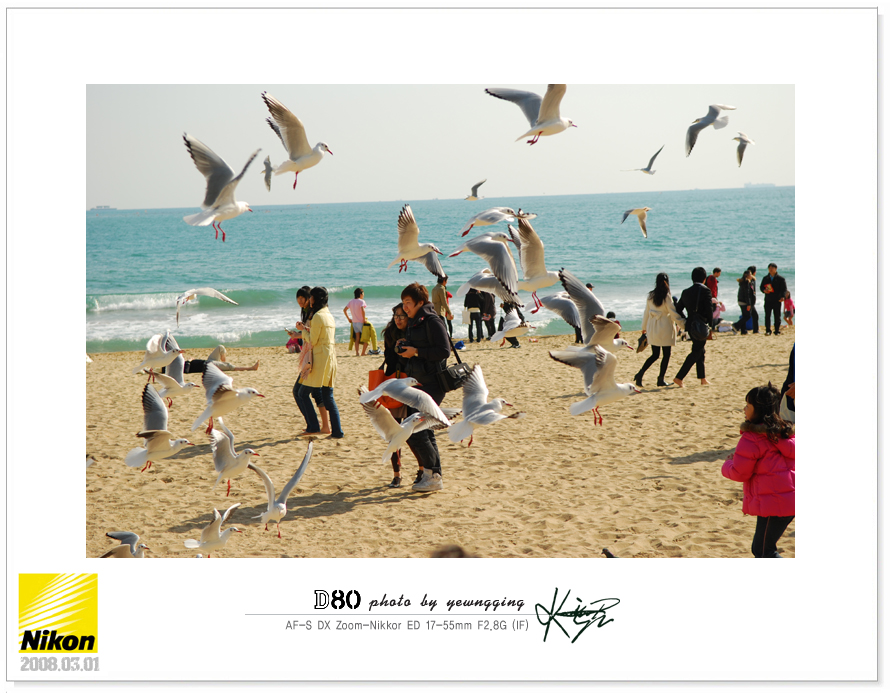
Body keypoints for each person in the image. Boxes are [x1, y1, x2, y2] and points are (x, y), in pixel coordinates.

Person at [721, 384, 795, 558]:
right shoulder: (785, 433)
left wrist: (727, 464)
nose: (744, 409)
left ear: (759, 410)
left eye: (748, 405)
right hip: (789, 499)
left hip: (774, 502)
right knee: (762, 548)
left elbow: (740, 473)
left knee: (763, 551)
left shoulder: (752, 438)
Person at [396, 282, 451, 491]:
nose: (405, 307)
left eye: (408, 303)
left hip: (433, 384)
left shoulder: (432, 320)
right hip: (419, 383)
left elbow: (444, 350)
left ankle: (433, 476)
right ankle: (433, 474)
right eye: (403, 303)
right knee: (424, 430)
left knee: (416, 429)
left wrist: (416, 351)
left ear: (420, 302)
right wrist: (405, 348)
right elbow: (419, 348)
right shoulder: (414, 322)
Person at [376, 303, 417, 488]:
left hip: (411, 387)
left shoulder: (414, 333)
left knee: (413, 434)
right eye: (396, 316)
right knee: (395, 434)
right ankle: (397, 474)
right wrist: (396, 348)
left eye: (402, 316)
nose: (398, 319)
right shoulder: (390, 334)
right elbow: (389, 361)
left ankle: (422, 469)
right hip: (394, 386)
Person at [295, 287, 344, 438]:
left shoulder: (317, 316)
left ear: (315, 299)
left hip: (320, 359)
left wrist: (302, 330)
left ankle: (314, 426)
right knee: (328, 396)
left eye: (311, 297)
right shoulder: (329, 315)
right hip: (330, 357)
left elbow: (313, 340)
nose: (310, 300)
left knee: (302, 393)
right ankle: (337, 431)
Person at [635, 273, 685, 387]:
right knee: (666, 355)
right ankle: (660, 379)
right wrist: (683, 325)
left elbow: (646, 312)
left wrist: (644, 327)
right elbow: (673, 313)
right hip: (665, 327)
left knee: (655, 354)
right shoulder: (666, 296)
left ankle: (640, 374)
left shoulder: (650, 295)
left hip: (653, 327)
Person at [672, 267, 714, 387]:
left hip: (690, 326)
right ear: (704, 279)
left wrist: (687, 319)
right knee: (696, 351)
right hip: (701, 326)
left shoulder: (686, 291)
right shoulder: (706, 291)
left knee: (700, 350)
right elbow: (709, 310)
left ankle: (702, 378)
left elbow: (678, 308)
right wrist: (711, 325)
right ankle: (679, 377)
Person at [182, 345, 260, 374]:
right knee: (230, 366)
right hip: (208, 365)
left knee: (220, 347)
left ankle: (223, 364)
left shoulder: (180, 362)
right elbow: (186, 371)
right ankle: (251, 368)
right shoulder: (180, 367)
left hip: (208, 361)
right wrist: (189, 361)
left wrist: (192, 360)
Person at [760, 263, 788, 335]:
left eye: (772, 268)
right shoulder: (765, 278)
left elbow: (784, 289)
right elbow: (761, 287)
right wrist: (764, 290)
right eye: (769, 268)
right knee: (767, 316)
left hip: (777, 300)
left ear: (776, 269)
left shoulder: (781, 279)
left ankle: (777, 331)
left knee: (777, 316)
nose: (770, 269)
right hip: (768, 299)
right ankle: (768, 330)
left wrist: (783, 297)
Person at [343, 287, 368, 356]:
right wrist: (364, 319)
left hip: (354, 322)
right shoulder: (361, 301)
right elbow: (363, 310)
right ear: (360, 294)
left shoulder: (351, 301)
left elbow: (344, 310)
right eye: (363, 294)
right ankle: (363, 352)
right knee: (366, 338)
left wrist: (349, 319)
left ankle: (357, 353)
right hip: (361, 322)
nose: (363, 295)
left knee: (357, 338)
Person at [732, 269, 755, 334]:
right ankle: (736, 325)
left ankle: (743, 331)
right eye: (750, 274)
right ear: (747, 275)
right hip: (744, 302)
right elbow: (747, 294)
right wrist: (748, 304)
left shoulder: (743, 282)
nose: (751, 276)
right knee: (747, 316)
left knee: (744, 316)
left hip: (741, 300)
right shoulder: (746, 282)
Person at [747, 265, 760, 333]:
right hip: (750, 301)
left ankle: (755, 330)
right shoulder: (750, 281)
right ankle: (755, 330)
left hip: (750, 301)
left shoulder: (751, 280)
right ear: (754, 272)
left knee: (748, 315)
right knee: (754, 316)